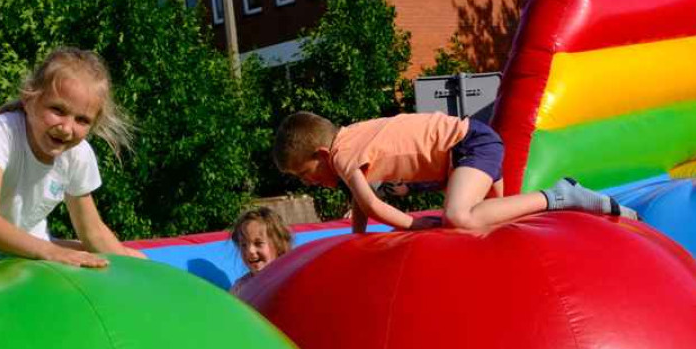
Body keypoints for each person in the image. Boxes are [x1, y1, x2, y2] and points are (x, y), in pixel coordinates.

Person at [0, 47, 146, 282]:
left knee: (131, 256)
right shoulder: (2, 132)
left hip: (19, 247)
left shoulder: (77, 155)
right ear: (30, 99)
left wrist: (127, 264)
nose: (66, 128)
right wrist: (51, 252)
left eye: (82, 120)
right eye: (57, 110)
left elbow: (92, 231)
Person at [273, 111, 637, 233]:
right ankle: (604, 208)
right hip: (465, 150)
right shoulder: (350, 138)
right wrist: (357, 240)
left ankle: (559, 195)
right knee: (499, 224)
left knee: (459, 217)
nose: (309, 182)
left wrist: (416, 225)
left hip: (469, 146)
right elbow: (361, 204)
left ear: (321, 153)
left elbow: (372, 205)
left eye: (305, 173)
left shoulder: (342, 155)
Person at [229, 206, 293, 297]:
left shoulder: (288, 279)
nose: (250, 251)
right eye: (243, 245)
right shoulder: (240, 289)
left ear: (278, 245)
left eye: (258, 243)